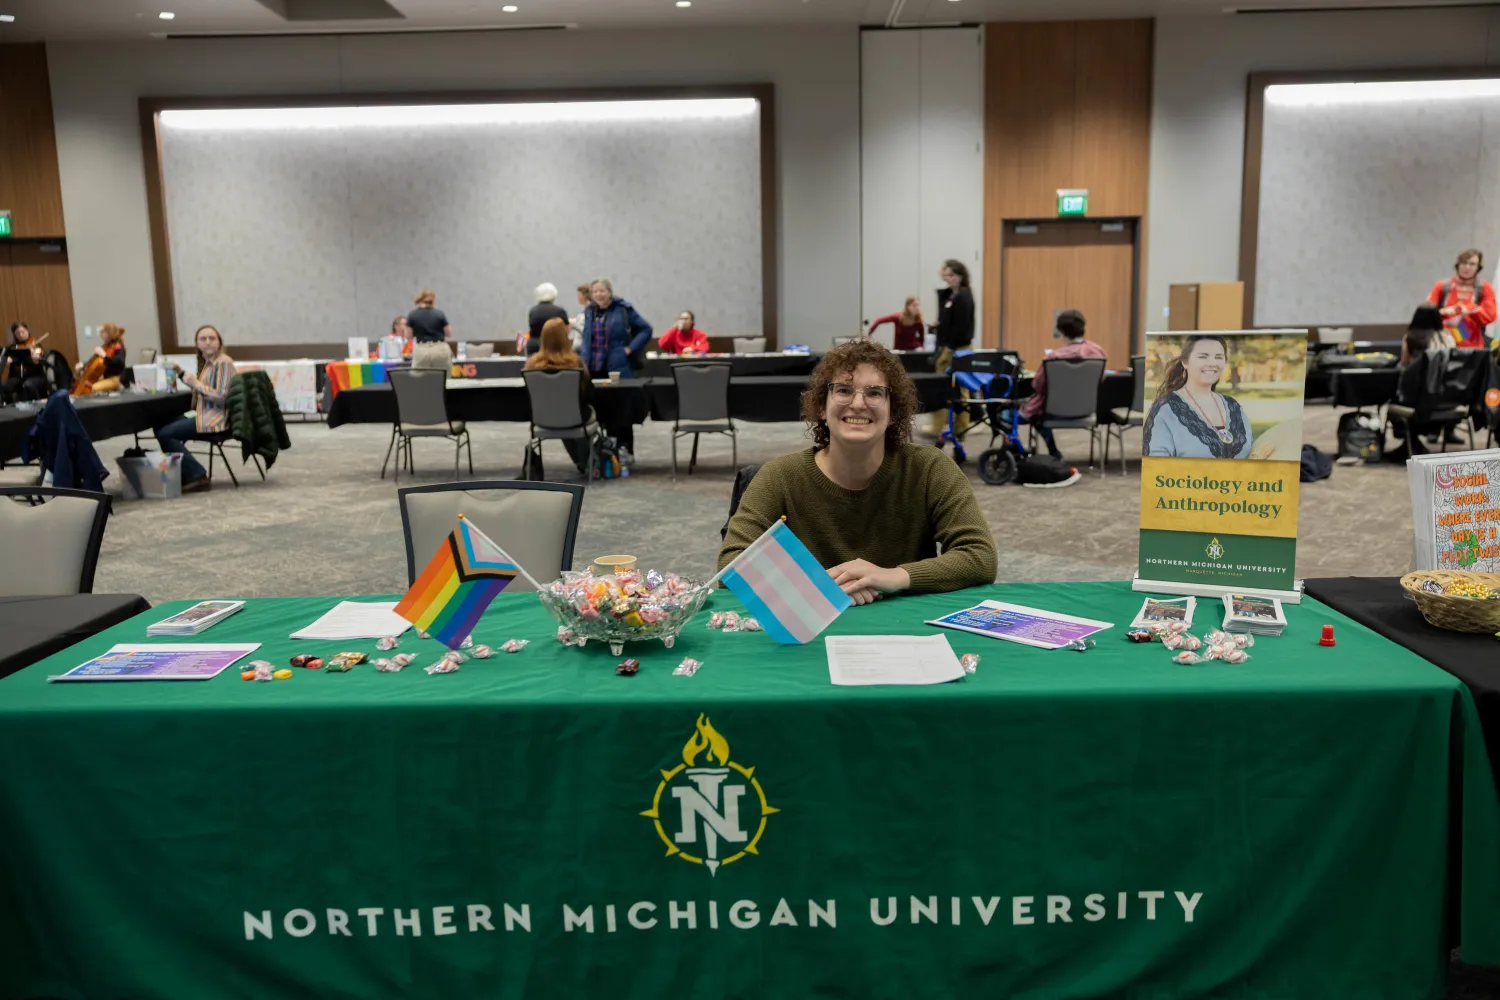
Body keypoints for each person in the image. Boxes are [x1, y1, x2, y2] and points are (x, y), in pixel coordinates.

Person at [718, 341, 997, 604]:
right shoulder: (779, 476)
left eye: (875, 393)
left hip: (905, 633)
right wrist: (822, 587)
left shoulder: (930, 469)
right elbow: (732, 564)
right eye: (843, 390)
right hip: (808, 635)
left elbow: (979, 555)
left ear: (894, 413)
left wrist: (891, 576)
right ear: (821, 408)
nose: (859, 403)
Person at [155, 325, 236, 493]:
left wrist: (195, 383)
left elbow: (221, 396)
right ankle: (184, 472)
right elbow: (204, 388)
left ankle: (197, 475)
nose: (207, 342)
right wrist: (181, 373)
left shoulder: (223, 363)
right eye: (203, 339)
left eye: (212, 338)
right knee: (160, 424)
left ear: (219, 342)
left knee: (166, 433)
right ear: (197, 344)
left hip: (218, 418)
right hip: (206, 414)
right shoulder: (208, 363)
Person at [1143, 334, 1252, 459]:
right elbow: (1156, 469)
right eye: (1203, 356)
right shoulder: (1166, 409)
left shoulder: (1234, 407)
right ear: (1185, 362)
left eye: (1218, 357)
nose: (1212, 363)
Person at [581, 278, 653, 462]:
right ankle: (606, 449)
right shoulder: (589, 311)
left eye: (602, 291)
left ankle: (625, 449)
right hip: (595, 368)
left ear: (610, 292)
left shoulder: (623, 309)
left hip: (618, 367)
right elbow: (587, 339)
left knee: (622, 409)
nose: (598, 294)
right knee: (602, 410)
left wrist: (630, 348)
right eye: (595, 291)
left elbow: (646, 329)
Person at [1018, 309, 1106, 459]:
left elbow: (1037, 386)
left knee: (1028, 410)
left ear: (1060, 331)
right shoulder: (1098, 352)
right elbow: (1100, 380)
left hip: (1053, 412)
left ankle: (1051, 451)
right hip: (1086, 410)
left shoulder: (1052, 357)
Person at [524, 317, 595, 475]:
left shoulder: (531, 365)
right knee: (574, 414)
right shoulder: (576, 363)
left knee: (560, 415)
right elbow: (589, 393)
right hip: (575, 418)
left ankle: (579, 461)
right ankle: (584, 461)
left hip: (543, 419)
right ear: (565, 338)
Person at [930, 260, 975, 435]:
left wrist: (949, 346)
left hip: (958, 347)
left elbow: (961, 327)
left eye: (951, 275)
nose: (947, 278)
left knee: (960, 386)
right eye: (945, 275)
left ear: (960, 276)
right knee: (945, 385)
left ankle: (961, 425)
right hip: (951, 346)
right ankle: (943, 424)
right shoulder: (952, 295)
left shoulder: (963, 296)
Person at [1426, 249, 1496, 349]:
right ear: (1458, 264)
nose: (1467, 267)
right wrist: (1442, 312)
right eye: (1464, 263)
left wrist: (1468, 309)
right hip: (1443, 346)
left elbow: (1490, 316)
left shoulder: (1484, 288)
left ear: (1478, 267)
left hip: (1473, 347)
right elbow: (1426, 313)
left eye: (1472, 264)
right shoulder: (1442, 286)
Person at [72, 323, 128, 395]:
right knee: (83, 382)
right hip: (105, 377)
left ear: (110, 333)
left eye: (102, 332)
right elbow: (93, 360)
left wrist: (104, 355)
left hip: (116, 378)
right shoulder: (105, 347)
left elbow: (120, 363)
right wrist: (83, 364)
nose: (100, 334)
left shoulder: (118, 347)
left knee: (94, 388)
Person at [406, 288, 453, 370]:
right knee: (443, 377)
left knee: (419, 378)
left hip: (422, 350)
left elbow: (408, 336)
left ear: (420, 299)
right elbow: (449, 333)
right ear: (433, 300)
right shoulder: (439, 314)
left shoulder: (412, 315)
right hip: (440, 349)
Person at [1, 322, 47, 405]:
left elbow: (41, 358)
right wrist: (6, 360)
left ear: (27, 331)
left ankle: (38, 407)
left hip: (34, 376)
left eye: (23, 332)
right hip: (17, 377)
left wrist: (36, 358)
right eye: (18, 333)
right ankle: (10, 406)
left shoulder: (35, 344)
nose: (21, 335)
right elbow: (5, 358)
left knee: (29, 385)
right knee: (4, 386)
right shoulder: (12, 348)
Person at [525, 283, 570, 357]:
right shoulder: (560, 311)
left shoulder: (533, 311)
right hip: (554, 347)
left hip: (534, 345)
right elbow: (566, 330)